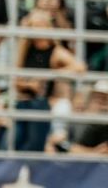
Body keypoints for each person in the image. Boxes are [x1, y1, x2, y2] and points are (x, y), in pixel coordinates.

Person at [13, 9, 86, 152]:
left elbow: (80, 67)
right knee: (15, 140)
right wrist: (30, 84)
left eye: (40, 25)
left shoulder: (55, 51)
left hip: (42, 103)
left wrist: (50, 74)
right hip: (23, 101)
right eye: (33, 25)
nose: (37, 29)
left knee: (33, 141)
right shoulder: (25, 47)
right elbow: (16, 80)